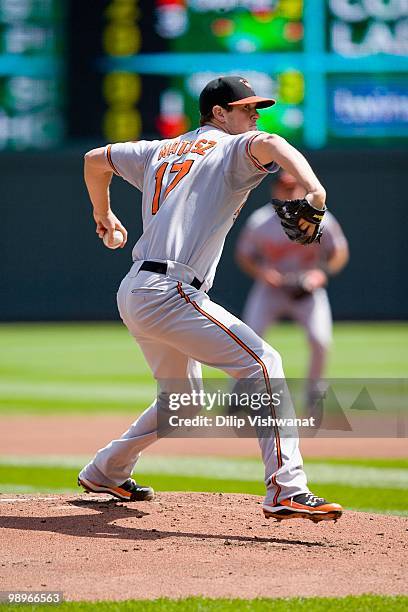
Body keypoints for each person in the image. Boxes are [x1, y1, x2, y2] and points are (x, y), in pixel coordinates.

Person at [78, 76, 343, 522]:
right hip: (170, 291)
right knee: (263, 363)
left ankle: (106, 469)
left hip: (136, 290)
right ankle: (286, 488)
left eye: (256, 108)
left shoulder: (157, 150)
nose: (254, 115)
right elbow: (275, 143)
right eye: (245, 108)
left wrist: (103, 214)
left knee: (182, 401)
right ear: (219, 114)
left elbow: (94, 159)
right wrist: (315, 190)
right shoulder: (229, 148)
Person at [235, 171, 349, 420]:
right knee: (247, 340)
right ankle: (241, 395)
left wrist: (322, 273)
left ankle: (313, 396)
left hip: (307, 289)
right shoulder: (260, 221)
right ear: (275, 190)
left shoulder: (321, 218)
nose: (291, 192)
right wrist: (261, 271)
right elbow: (244, 254)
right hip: (271, 290)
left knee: (320, 341)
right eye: (285, 187)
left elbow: (339, 252)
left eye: (295, 187)